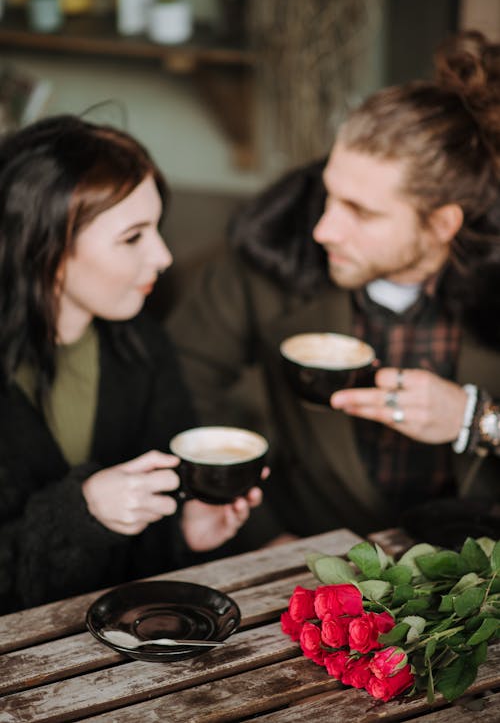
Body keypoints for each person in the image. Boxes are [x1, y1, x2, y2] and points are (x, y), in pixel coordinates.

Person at [168, 30, 500, 547]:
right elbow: (179, 382)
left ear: (441, 224)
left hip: (474, 579)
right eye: (329, 195)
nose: (323, 230)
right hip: (306, 561)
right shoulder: (270, 259)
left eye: (361, 212)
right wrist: (261, 532)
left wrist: (475, 418)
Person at [0, 115, 263, 614]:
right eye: (133, 237)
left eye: (156, 229)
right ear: (45, 248)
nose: (163, 256)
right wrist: (83, 511)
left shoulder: (142, 346)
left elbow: (134, 563)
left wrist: (184, 533)